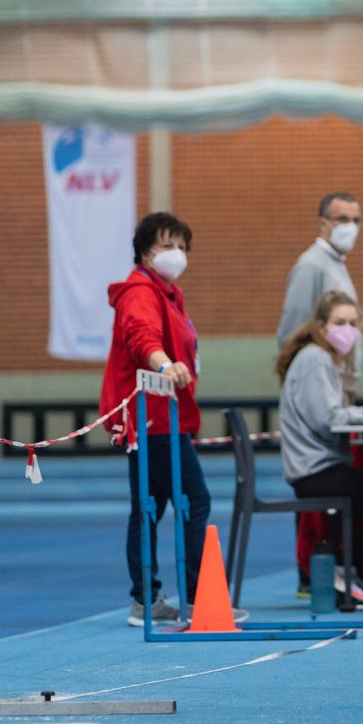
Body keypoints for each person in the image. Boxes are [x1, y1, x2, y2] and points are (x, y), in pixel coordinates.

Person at [100, 211, 214, 626]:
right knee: (194, 501)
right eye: (167, 245)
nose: (177, 254)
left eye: (182, 247)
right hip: (153, 415)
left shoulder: (168, 295)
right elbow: (140, 334)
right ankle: (200, 600)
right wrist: (165, 365)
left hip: (165, 414)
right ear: (145, 251)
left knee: (149, 507)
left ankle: (145, 600)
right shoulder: (140, 293)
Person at [277, 291, 363, 599]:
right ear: (321, 327)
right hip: (316, 472)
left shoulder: (325, 360)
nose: (347, 329)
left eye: (353, 323)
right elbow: (328, 419)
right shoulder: (315, 359)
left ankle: (351, 566)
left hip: (324, 467)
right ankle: (356, 568)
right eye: (340, 322)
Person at [279, 193, 363, 389]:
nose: (351, 227)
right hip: (317, 382)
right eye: (343, 219)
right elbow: (292, 329)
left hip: (337, 379)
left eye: (356, 221)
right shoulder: (312, 265)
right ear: (324, 224)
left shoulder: (337, 265)